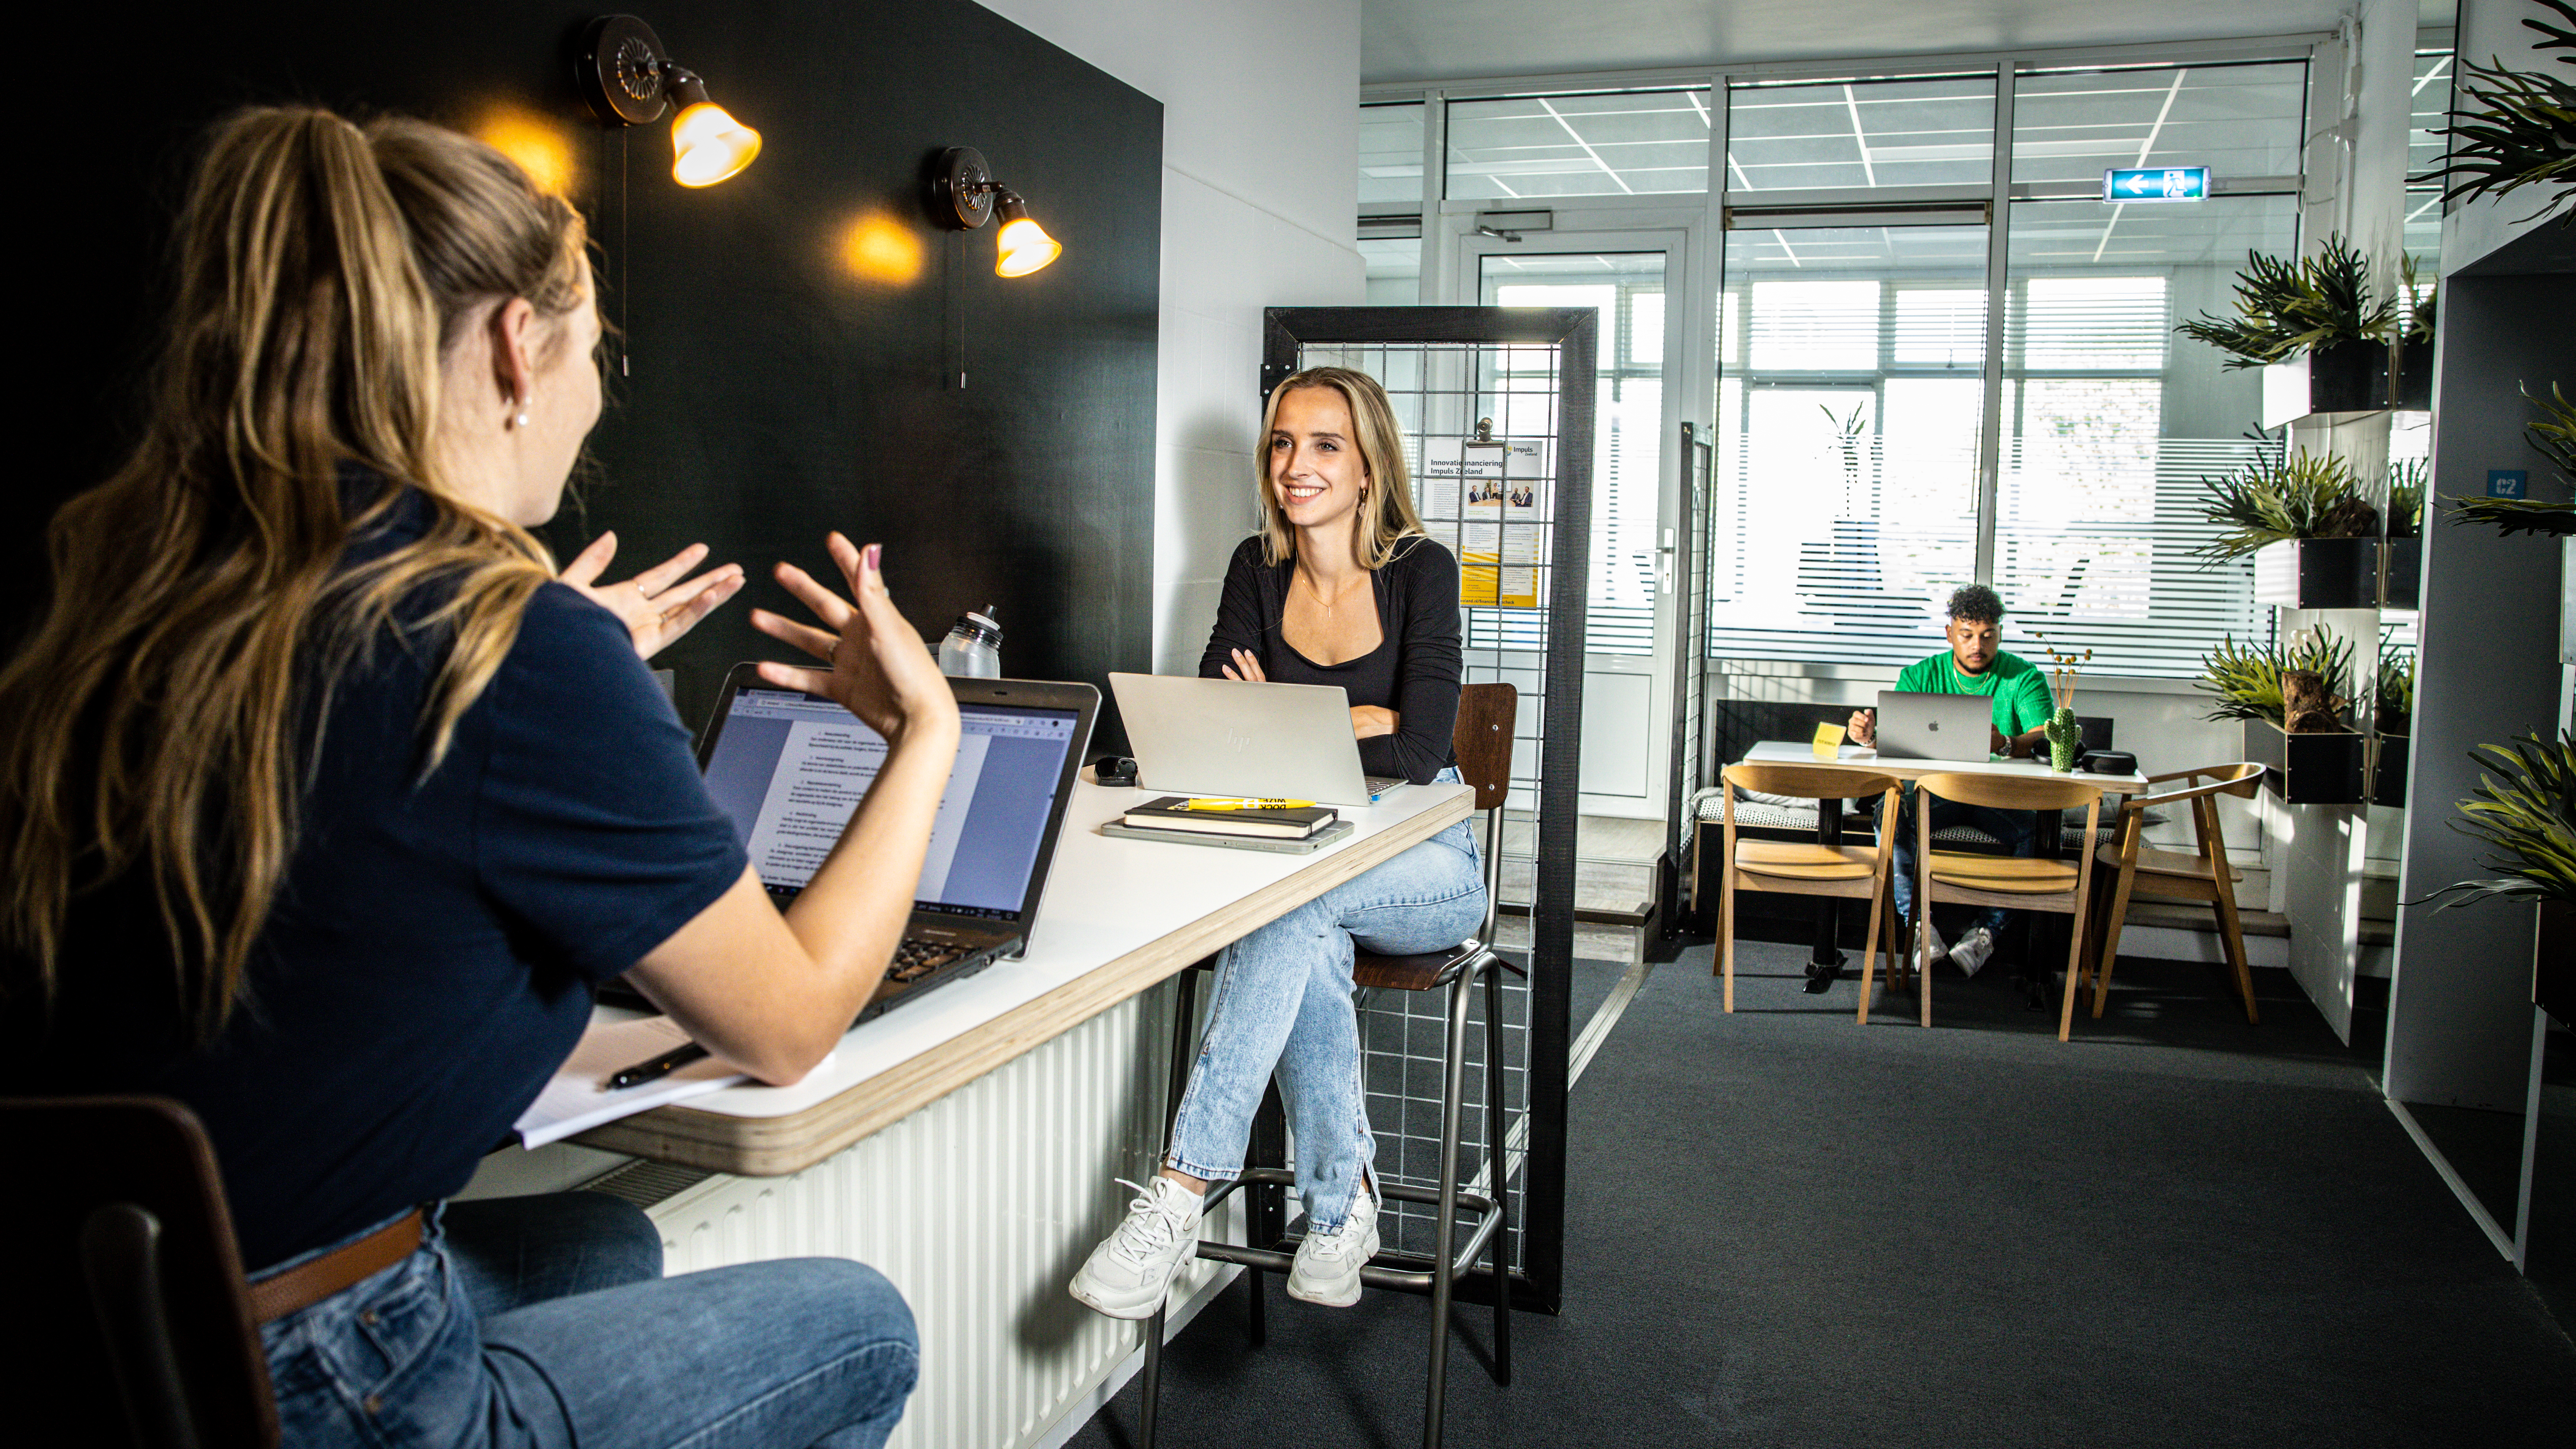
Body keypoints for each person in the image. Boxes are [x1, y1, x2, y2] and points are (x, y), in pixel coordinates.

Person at [0, 108, 956, 1449]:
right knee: (858, 1324)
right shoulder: (501, 648)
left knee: (596, 1246)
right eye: (594, 347)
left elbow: (349, 888)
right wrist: (925, 735)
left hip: (89, 1330)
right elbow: (788, 1022)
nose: (597, 390)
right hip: (313, 1374)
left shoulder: (141, 593)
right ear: (520, 346)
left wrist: (550, 674)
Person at [1067, 367, 1486, 1318]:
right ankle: (1342, 1206)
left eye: (1324, 443)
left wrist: (1287, 715)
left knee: (1295, 897)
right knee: (1299, 916)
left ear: (1369, 461)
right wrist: (1351, 715)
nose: (1296, 465)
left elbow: (1420, 749)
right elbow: (1215, 728)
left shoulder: (1422, 568)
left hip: (1426, 863)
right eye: (1282, 443)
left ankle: (1176, 1192)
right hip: (1308, 852)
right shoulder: (1254, 566)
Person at [1844, 584, 2054, 978]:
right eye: (1967, 635)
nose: (1978, 645)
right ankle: (1920, 929)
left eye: (1988, 636)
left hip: (1996, 798)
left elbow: (2044, 734)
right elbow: (1895, 740)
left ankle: (1986, 933)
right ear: (1949, 634)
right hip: (1932, 794)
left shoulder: (2022, 677)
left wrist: (2006, 743)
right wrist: (1870, 736)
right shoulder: (1919, 674)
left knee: (2036, 829)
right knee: (1889, 812)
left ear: (1999, 634)